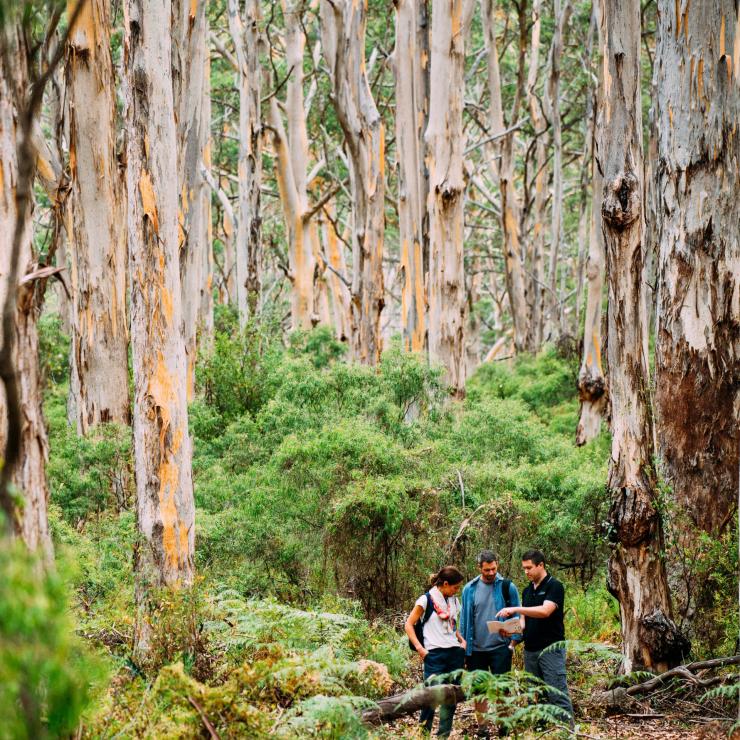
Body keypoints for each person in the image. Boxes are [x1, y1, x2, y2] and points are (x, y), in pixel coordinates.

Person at [497, 549, 574, 726]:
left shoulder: (554, 586)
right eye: (524, 568)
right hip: (530, 650)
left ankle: (568, 731)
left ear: (541, 565)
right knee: (535, 694)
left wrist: (516, 609)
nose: (526, 572)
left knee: (557, 692)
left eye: (529, 568)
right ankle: (541, 730)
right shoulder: (527, 591)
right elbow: (523, 624)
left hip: (551, 649)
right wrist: (509, 630)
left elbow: (545, 611)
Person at [460, 550, 522, 738]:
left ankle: (504, 725)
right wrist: (463, 649)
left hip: (500, 648)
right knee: (480, 690)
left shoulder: (507, 587)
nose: (491, 573)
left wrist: (512, 642)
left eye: (493, 569)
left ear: (497, 565)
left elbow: (518, 616)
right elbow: (464, 620)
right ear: (479, 568)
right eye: (487, 570)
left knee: (502, 688)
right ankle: (483, 728)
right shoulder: (469, 589)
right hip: (476, 649)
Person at [405, 566, 466, 737]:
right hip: (435, 655)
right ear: (445, 584)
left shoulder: (454, 600)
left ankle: (443, 735)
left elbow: (452, 625)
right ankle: (423, 735)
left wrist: (462, 641)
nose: (457, 590)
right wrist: (420, 649)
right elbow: (409, 624)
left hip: (454, 653)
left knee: (450, 699)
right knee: (430, 699)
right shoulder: (426, 600)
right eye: (455, 587)